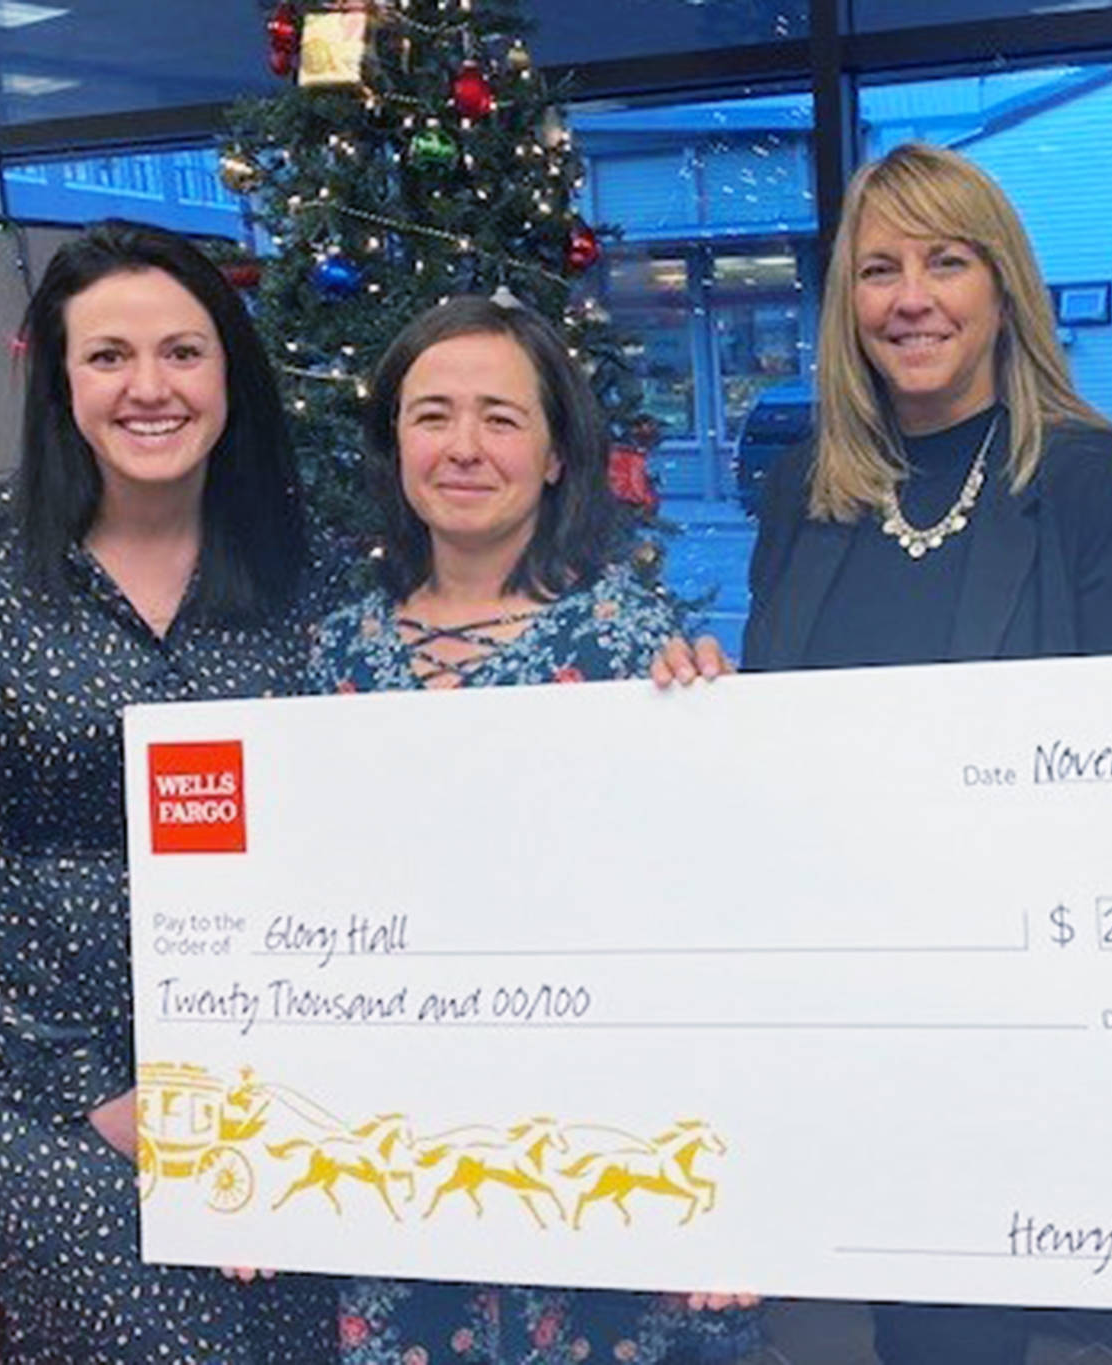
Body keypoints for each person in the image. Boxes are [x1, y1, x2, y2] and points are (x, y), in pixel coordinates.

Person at [656, 141, 1112, 1365]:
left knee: (965, 1323)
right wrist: (702, 704)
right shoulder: (805, 489)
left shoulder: (1093, 481)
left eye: (946, 262)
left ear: (1002, 287)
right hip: (834, 995)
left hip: (1013, 1002)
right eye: (878, 270)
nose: (910, 298)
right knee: (841, 1307)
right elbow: (775, 734)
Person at [0, 221, 336, 1361]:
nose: (149, 388)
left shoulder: (310, 566)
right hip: (42, 1053)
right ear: (59, 379)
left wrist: (670, 681)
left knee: (293, 1332)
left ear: (229, 371)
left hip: (270, 1035)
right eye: (108, 356)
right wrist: (98, 1086)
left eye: (182, 352)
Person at [309, 294, 762, 1365]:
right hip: (405, 1171)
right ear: (394, 444)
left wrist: (719, 743)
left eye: (501, 417)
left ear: (557, 456)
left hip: (599, 1163)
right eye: (432, 415)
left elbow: (714, 928)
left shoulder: (640, 651)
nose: (464, 446)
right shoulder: (330, 656)